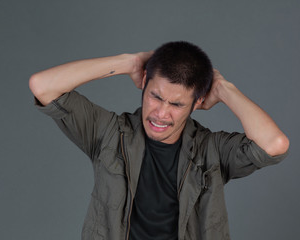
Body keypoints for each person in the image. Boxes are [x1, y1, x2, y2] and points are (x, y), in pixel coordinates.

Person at [29, 41, 289, 240]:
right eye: (155, 97)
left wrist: (223, 89)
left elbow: (274, 144)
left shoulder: (212, 150)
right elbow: (42, 86)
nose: (161, 114)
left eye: (176, 104)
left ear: (197, 102)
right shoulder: (109, 133)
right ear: (144, 82)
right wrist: (127, 62)